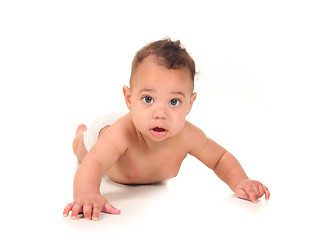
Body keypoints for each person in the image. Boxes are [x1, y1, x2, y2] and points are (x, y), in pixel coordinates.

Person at [63, 38, 270, 221]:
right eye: (148, 99)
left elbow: (220, 158)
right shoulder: (121, 135)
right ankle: (80, 134)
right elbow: (95, 162)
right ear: (129, 99)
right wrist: (86, 193)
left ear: (190, 103)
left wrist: (240, 180)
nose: (160, 113)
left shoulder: (187, 135)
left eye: (173, 101)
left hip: (136, 123)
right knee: (83, 152)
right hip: (104, 132)